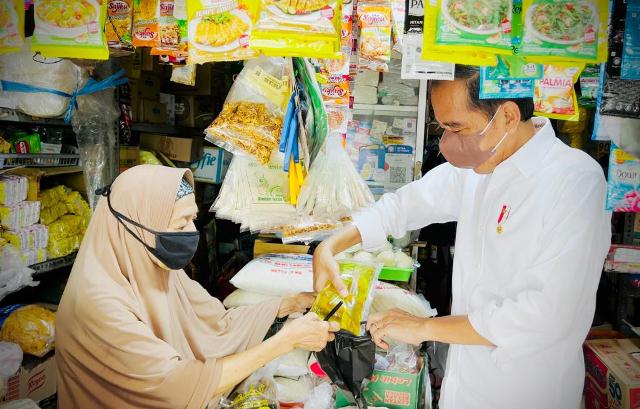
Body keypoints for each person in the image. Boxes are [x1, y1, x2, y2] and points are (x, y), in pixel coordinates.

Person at [313, 66, 611, 409]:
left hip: (528, 391)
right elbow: (405, 205)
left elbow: (546, 315)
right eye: (443, 127)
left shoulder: (574, 181)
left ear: (508, 117)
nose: (448, 142)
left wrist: (425, 328)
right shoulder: (478, 167)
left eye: (458, 127)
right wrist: (330, 246)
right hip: (464, 386)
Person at [56, 165, 338, 409]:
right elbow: (172, 387)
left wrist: (289, 304)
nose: (192, 233)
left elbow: (216, 325)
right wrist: (284, 341)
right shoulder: (97, 305)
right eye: (180, 225)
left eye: (192, 219)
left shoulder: (157, 268)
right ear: (137, 228)